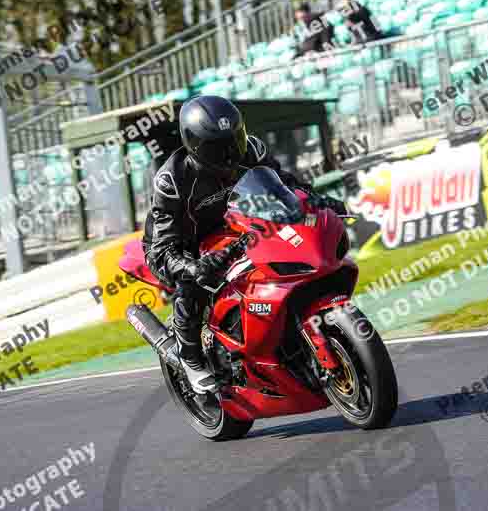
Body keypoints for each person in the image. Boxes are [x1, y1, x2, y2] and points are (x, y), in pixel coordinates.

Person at [142, 95, 346, 394]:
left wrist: (315, 200)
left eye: (233, 139)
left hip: (235, 225)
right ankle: (191, 359)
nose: (228, 153)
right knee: (193, 283)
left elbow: (285, 184)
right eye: (217, 147)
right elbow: (163, 247)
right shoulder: (172, 180)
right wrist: (191, 265)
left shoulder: (253, 150)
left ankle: (281, 335)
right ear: (194, 145)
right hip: (181, 244)